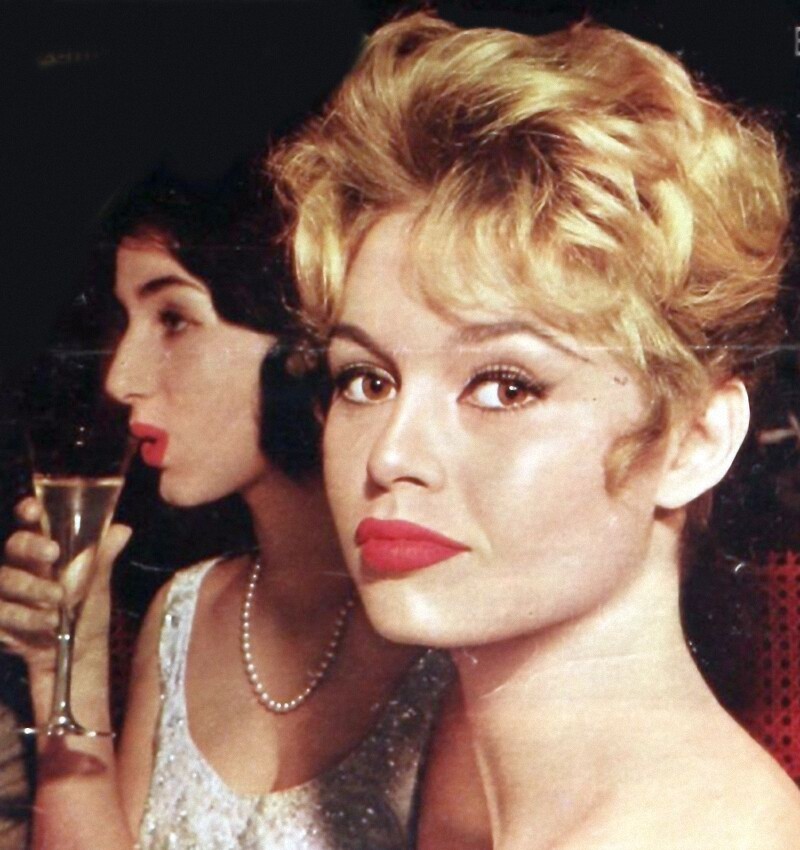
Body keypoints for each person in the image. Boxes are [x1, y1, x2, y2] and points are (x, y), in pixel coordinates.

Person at [270, 11, 800, 848]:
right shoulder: (484, 799)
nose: (392, 454)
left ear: (696, 439)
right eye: (366, 380)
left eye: (504, 387)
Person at [0, 165, 455, 849]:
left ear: (302, 344)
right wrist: (67, 667)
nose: (121, 378)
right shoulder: (183, 612)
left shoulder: (445, 629)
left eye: (174, 320)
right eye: (127, 323)